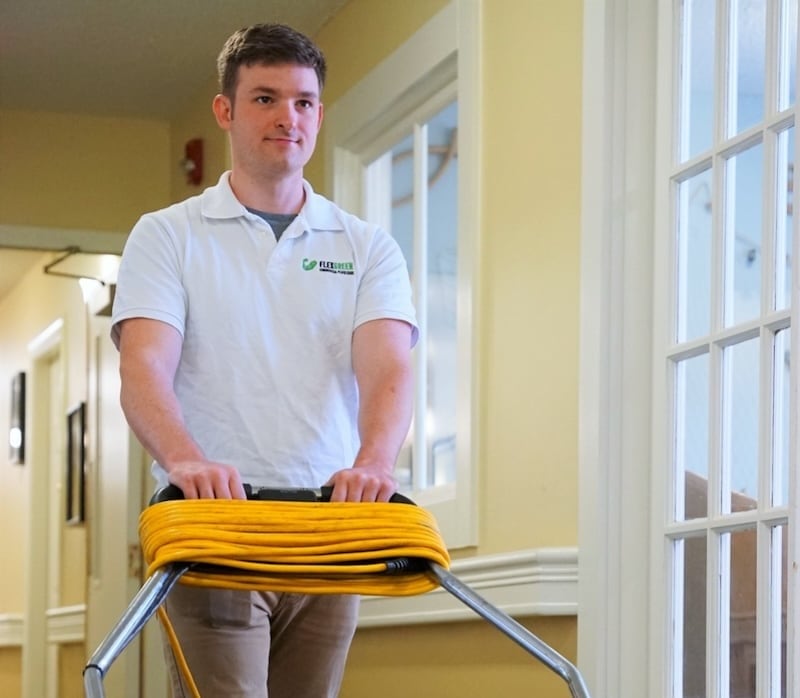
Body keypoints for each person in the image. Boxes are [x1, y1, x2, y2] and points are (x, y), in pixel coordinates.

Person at [110, 22, 417, 698]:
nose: (288, 117)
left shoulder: (367, 247)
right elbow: (143, 368)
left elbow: (389, 368)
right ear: (225, 110)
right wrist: (185, 455)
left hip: (326, 533)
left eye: (304, 102)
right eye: (265, 98)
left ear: (319, 114)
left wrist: (374, 463)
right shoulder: (168, 236)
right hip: (217, 526)